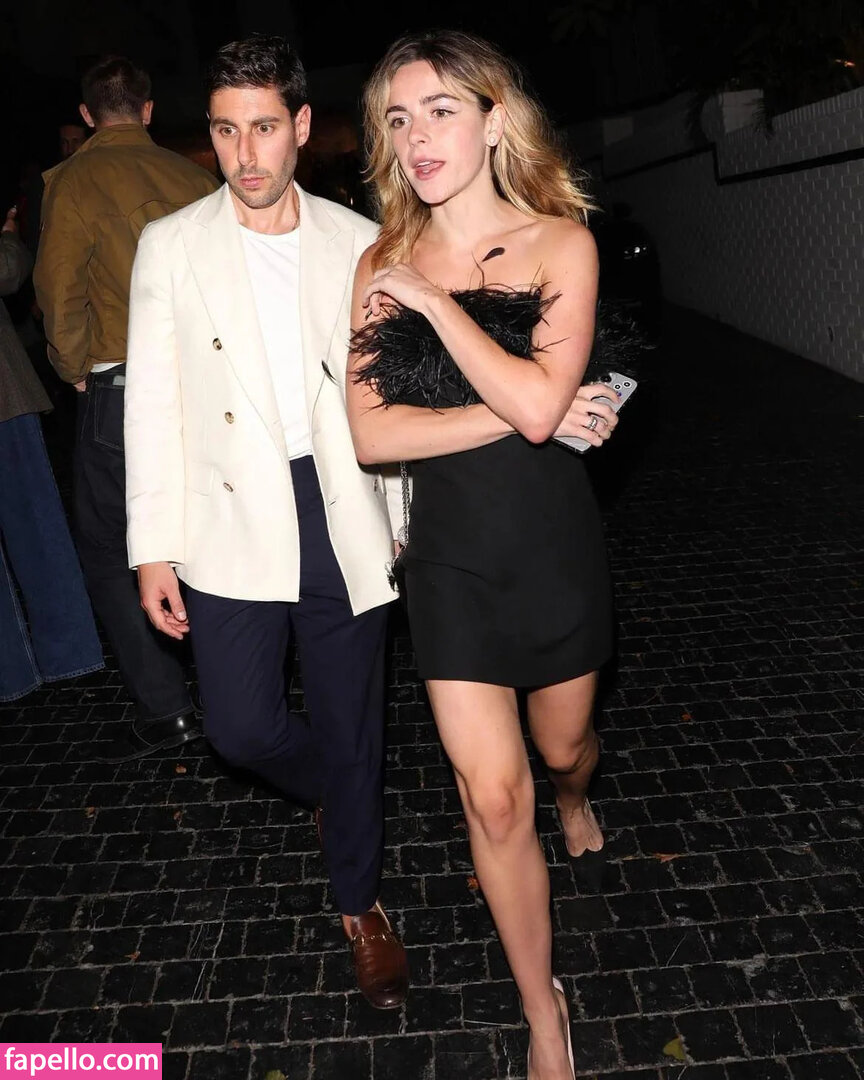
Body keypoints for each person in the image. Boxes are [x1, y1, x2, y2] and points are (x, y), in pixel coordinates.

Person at [347, 31, 619, 1079]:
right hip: (450, 557)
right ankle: (543, 1012)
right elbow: (373, 433)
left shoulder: (562, 244)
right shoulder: (381, 262)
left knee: (561, 750)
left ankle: (576, 794)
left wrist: (436, 310)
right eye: (398, 118)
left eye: (441, 110)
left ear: (495, 120)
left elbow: (548, 410)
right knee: (492, 797)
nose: (417, 137)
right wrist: (520, 406)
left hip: (552, 546)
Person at [122, 34, 410, 1010]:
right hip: (227, 513)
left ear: (300, 127)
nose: (245, 155)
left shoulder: (358, 241)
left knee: (351, 713)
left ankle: (361, 905)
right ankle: (340, 790)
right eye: (224, 131)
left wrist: (400, 513)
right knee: (240, 729)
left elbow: (391, 389)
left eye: (263, 129)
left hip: (339, 501)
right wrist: (153, 547)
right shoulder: (171, 245)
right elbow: (151, 405)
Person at [33, 56, 219, 762]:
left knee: (113, 550)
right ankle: (231, 681)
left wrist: (74, 370)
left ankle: (168, 709)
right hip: (205, 383)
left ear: (87, 116)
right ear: (147, 110)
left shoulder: (74, 181)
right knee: (203, 528)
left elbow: (59, 292)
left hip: (123, 384)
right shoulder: (194, 177)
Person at [0, 206, 103, 702]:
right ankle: (68, 655)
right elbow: (6, 271)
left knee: (35, 526)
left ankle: (15, 673)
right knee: (36, 526)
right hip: (5, 400)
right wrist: (8, 236)